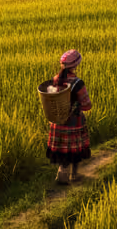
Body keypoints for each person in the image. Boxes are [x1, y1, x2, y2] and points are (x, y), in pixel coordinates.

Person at [45, 48, 92, 183]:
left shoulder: (55, 79)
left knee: (62, 147)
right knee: (75, 148)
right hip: (73, 120)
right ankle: (73, 175)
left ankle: (62, 171)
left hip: (58, 120)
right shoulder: (78, 83)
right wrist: (80, 107)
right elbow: (86, 104)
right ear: (76, 65)